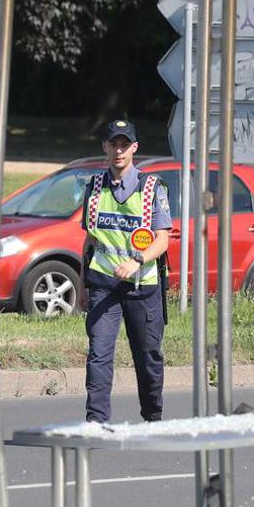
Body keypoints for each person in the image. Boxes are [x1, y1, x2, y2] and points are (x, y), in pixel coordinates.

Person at [81, 118, 171, 424]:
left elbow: (162, 240)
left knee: (148, 357)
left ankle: (153, 417)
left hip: (142, 287)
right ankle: (96, 422)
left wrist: (137, 261)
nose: (119, 150)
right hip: (103, 286)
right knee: (99, 354)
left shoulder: (152, 188)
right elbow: (90, 239)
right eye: (113, 144)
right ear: (104, 148)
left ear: (134, 148)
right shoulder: (94, 188)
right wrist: (82, 284)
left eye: (124, 144)